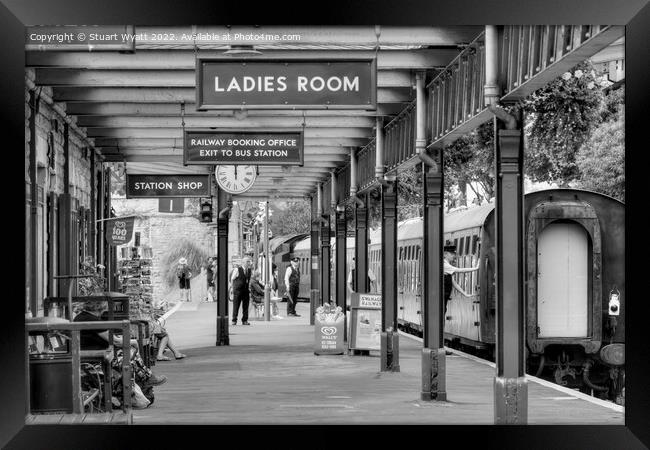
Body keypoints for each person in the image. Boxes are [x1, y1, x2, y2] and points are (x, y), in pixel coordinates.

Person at [73, 303, 167, 407]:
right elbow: (116, 341)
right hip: (93, 358)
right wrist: (133, 341)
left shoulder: (83, 317)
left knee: (129, 354)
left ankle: (143, 381)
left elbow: (109, 337)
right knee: (129, 354)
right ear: (100, 308)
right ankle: (142, 382)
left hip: (92, 355)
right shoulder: (91, 320)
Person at [230, 256, 252, 325]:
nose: (249, 263)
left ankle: (244, 320)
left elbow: (248, 280)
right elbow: (232, 279)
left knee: (246, 306)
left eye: (249, 261)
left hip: (245, 290)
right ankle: (234, 320)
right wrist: (232, 288)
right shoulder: (237, 269)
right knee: (236, 306)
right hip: (238, 291)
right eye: (247, 261)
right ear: (243, 263)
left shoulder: (249, 270)